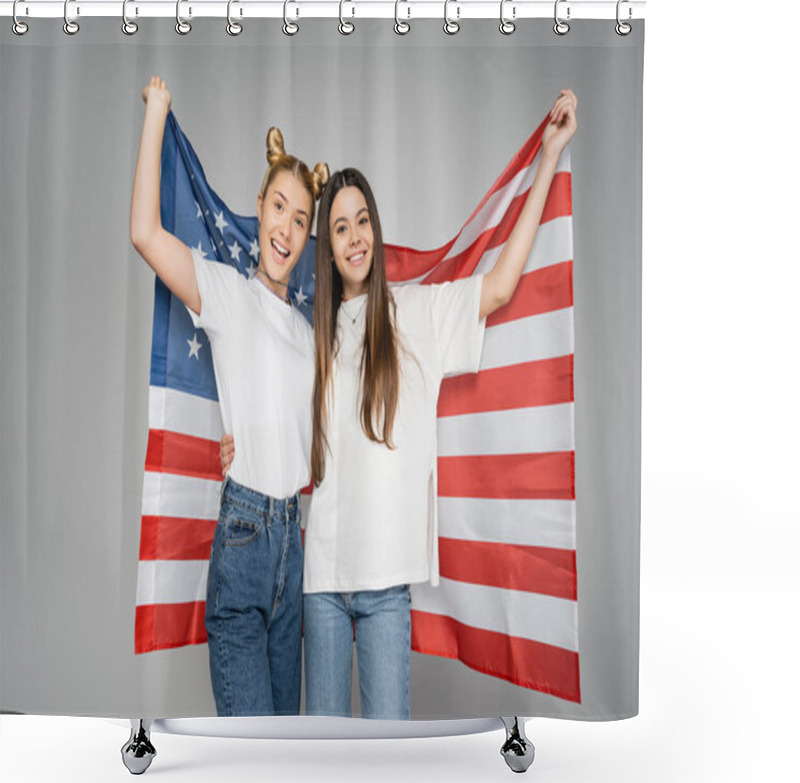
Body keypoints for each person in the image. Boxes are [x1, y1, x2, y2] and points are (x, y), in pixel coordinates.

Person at [222, 89, 578, 719]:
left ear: (375, 233)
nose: (353, 236)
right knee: (326, 761)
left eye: (362, 221)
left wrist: (548, 156)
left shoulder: (417, 313)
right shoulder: (314, 338)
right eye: (338, 226)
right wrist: (237, 447)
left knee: (388, 755)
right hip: (321, 587)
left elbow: (498, 288)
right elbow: (274, 414)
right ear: (325, 249)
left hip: (386, 587)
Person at [130, 76, 329, 716]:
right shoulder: (225, 292)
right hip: (244, 538)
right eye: (279, 208)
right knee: (253, 751)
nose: (287, 228)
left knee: (287, 749)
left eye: (301, 219)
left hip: (292, 548)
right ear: (260, 207)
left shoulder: (307, 328)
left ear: (307, 236)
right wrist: (158, 114)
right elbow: (144, 233)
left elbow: (309, 437)